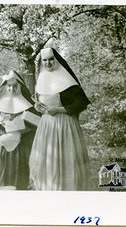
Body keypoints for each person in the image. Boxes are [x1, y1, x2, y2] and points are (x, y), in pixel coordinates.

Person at [29, 47, 90, 190]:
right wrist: (39, 107)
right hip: (47, 125)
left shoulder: (67, 80)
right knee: (47, 157)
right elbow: (43, 103)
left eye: (51, 59)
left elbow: (81, 103)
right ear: (41, 62)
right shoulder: (41, 79)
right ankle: (49, 187)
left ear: (56, 60)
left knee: (67, 157)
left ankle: (68, 187)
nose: (48, 63)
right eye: (45, 60)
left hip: (65, 124)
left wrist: (58, 109)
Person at [0, 70, 37, 190]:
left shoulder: (28, 105)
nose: (12, 89)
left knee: (23, 178)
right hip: (7, 148)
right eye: (9, 86)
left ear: (19, 87)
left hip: (24, 146)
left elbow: (37, 124)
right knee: (7, 177)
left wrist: (23, 127)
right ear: (5, 88)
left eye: (15, 86)